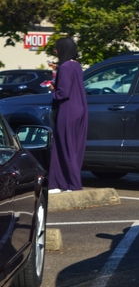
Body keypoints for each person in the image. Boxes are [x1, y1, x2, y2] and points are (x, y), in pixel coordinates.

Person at [48, 37, 88, 193]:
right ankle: (65, 183)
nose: (55, 51)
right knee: (75, 147)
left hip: (68, 110)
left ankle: (70, 184)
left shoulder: (65, 67)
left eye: (57, 48)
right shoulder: (75, 65)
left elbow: (63, 92)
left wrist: (52, 87)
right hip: (80, 109)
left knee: (64, 146)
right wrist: (58, 68)